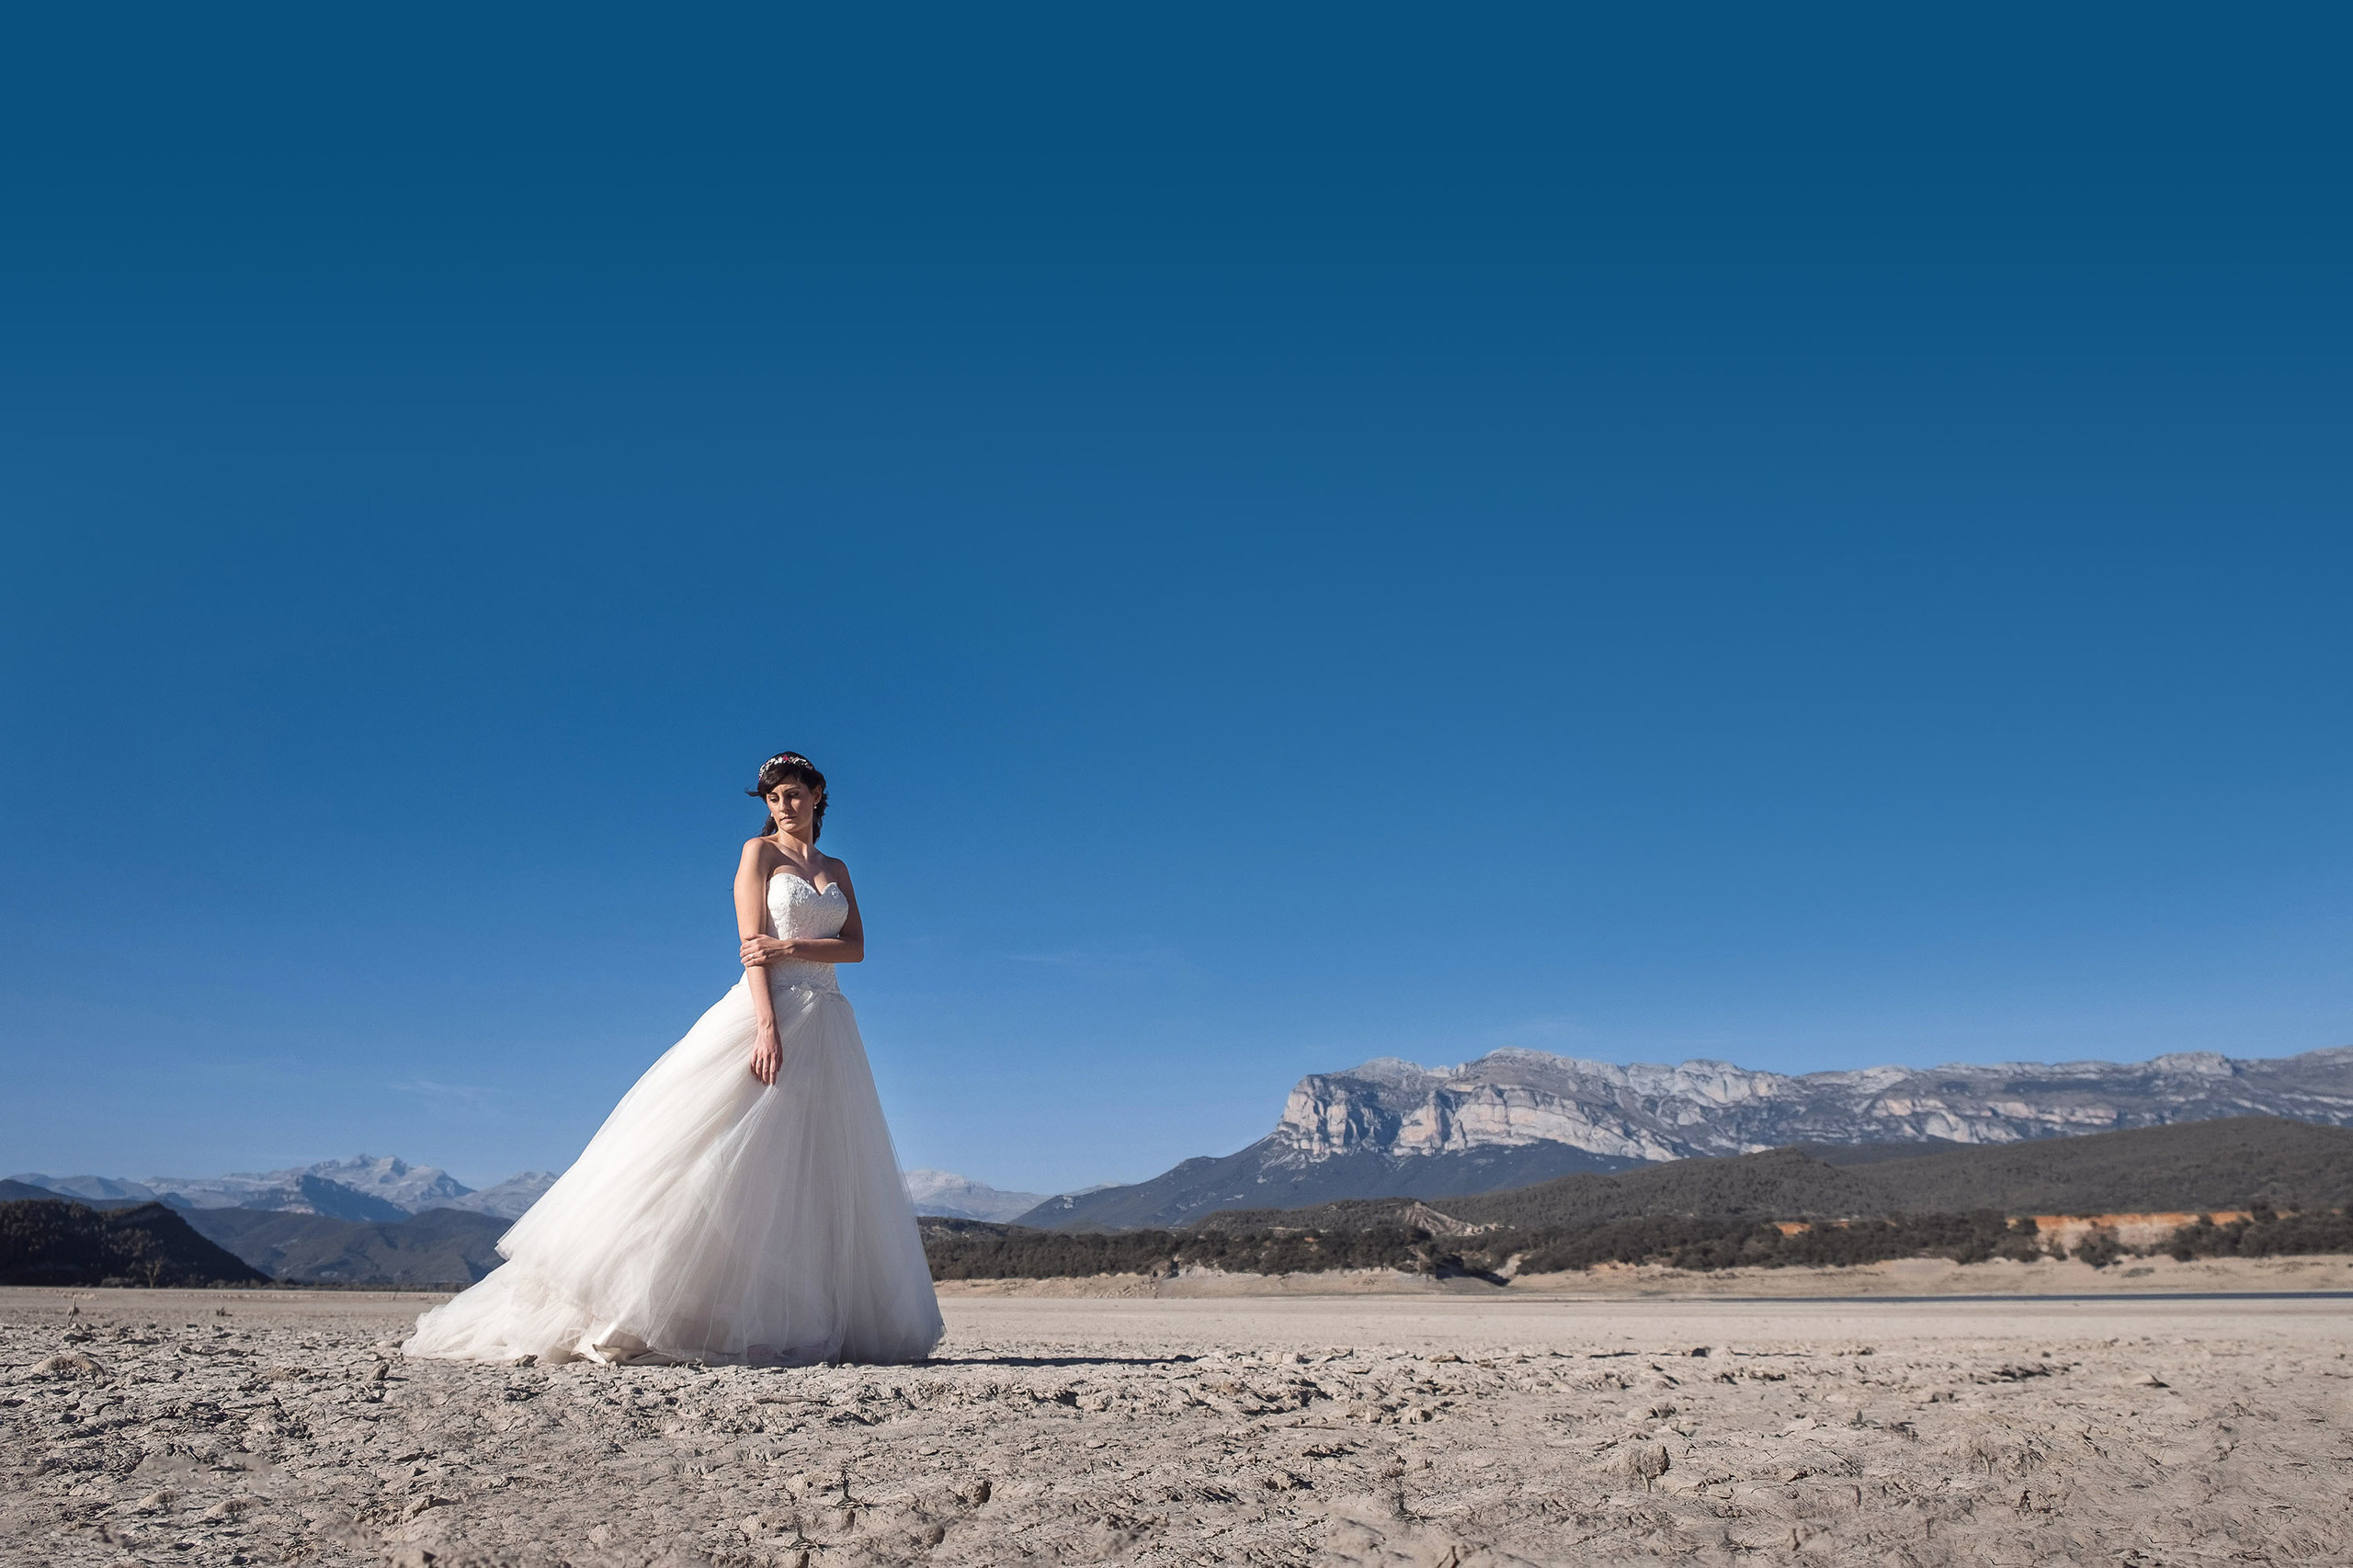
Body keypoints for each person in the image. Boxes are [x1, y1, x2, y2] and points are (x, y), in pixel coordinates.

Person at [404, 751, 944, 1366]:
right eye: (773, 798)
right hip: (768, 1012)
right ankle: (660, 1306)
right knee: (717, 1156)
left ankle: (805, 1316)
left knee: (814, 1170)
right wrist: (767, 1028)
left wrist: (792, 941)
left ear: (818, 794)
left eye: (793, 794)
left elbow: (857, 948)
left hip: (830, 1018)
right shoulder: (758, 854)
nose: (783, 806)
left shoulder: (837, 867)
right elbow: (751, 951)